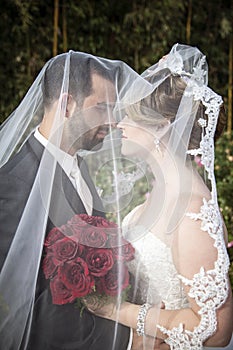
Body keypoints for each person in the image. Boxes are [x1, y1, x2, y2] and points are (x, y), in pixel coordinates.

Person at [85, 44, 233, 349]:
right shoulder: (160, 195)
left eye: (131, 117)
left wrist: (116, 309)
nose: (120, 124)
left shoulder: (191, 210)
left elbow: (216, 331)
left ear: (164, 127)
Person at [0, 51, 140, 350]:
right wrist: (128, 341)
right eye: (102, 108)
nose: (113, 122)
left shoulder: (79, 166)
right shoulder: (12, 185)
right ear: (66, 105)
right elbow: (32, 305)